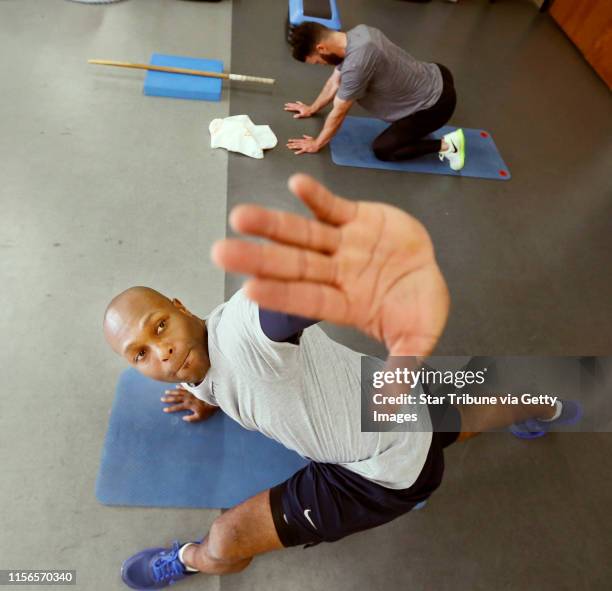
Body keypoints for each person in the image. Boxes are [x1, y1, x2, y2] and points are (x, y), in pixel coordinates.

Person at [104, 175, 580, 589]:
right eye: (141, 354)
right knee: (445, 421)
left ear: (182, 308)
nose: (161, 351)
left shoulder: (243, 330)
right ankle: (544, 404)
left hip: (371, 474)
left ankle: (188, 558)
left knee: (227, 537)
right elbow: (208, 372)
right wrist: (208, 399)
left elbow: (278, 305)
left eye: (160, 325)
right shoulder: (192, 362)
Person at [285, 23, 466, 170]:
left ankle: (449, 145)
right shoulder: (358, 33)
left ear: (321, 47)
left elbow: (339, 111)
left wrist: (317, 144)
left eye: (318, 61)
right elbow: (335, 81)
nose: (322, 65)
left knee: (383, 150)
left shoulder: (356, 64)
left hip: (435, 106)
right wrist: (311, 109)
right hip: (437, 74)